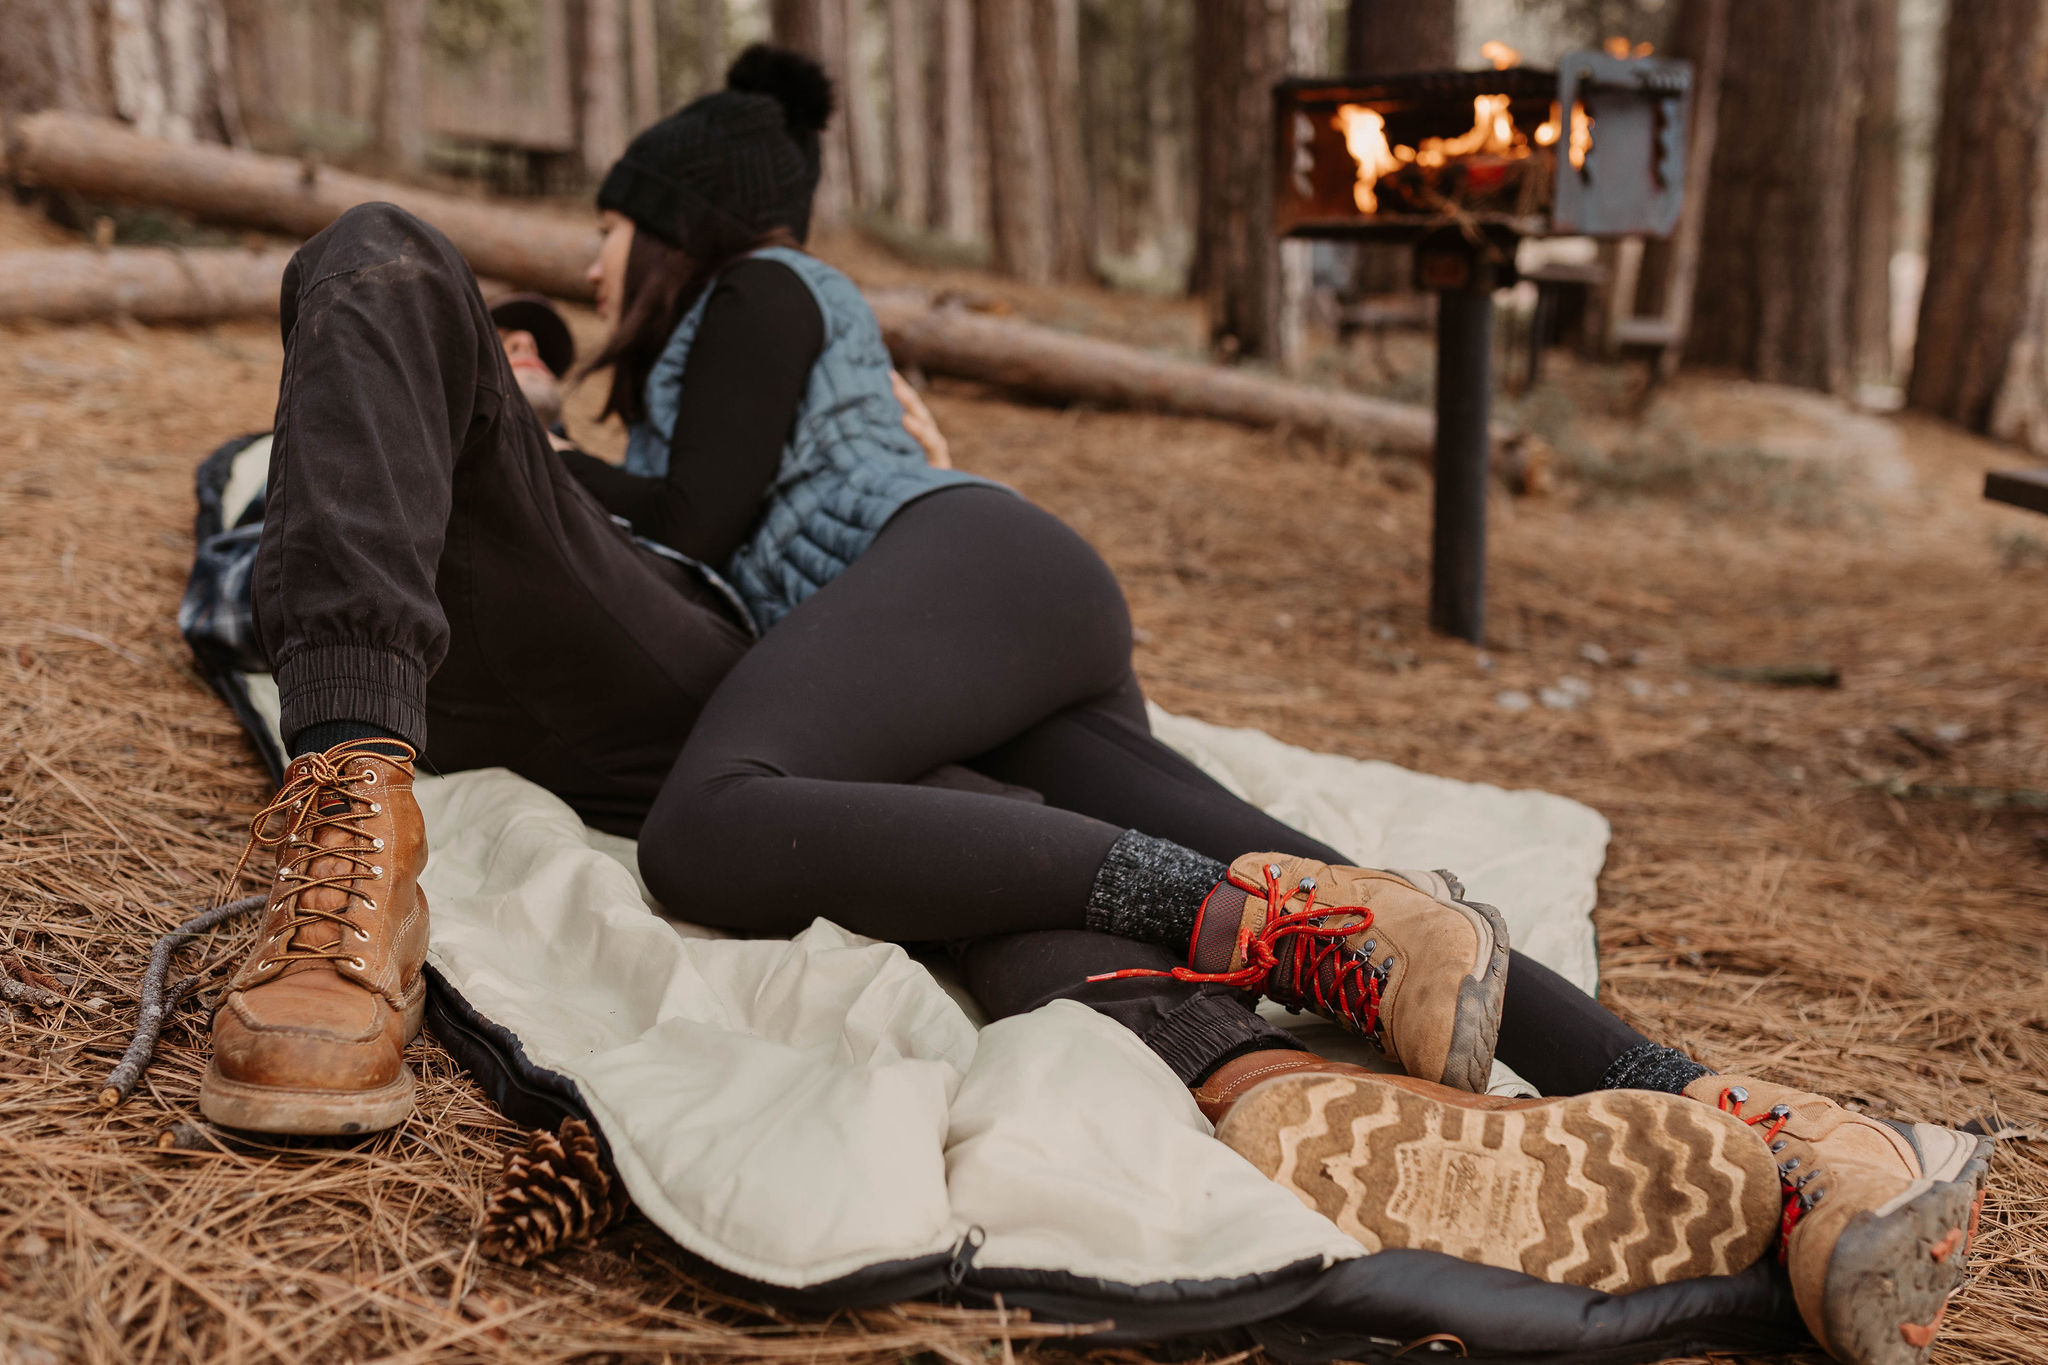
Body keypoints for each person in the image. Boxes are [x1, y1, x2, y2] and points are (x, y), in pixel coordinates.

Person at [203, 46, 1989, 1365]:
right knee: (1069, 885)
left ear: (667, 225)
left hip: (962, 578)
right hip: (915, 675)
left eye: (598, 241)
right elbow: (595, 537)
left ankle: (1283, 950)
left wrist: (535, 422)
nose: (585, 275)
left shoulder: (750, 303)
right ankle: (1750, 1133)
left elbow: (697, 522)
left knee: (731, 825)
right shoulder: (602, 421)